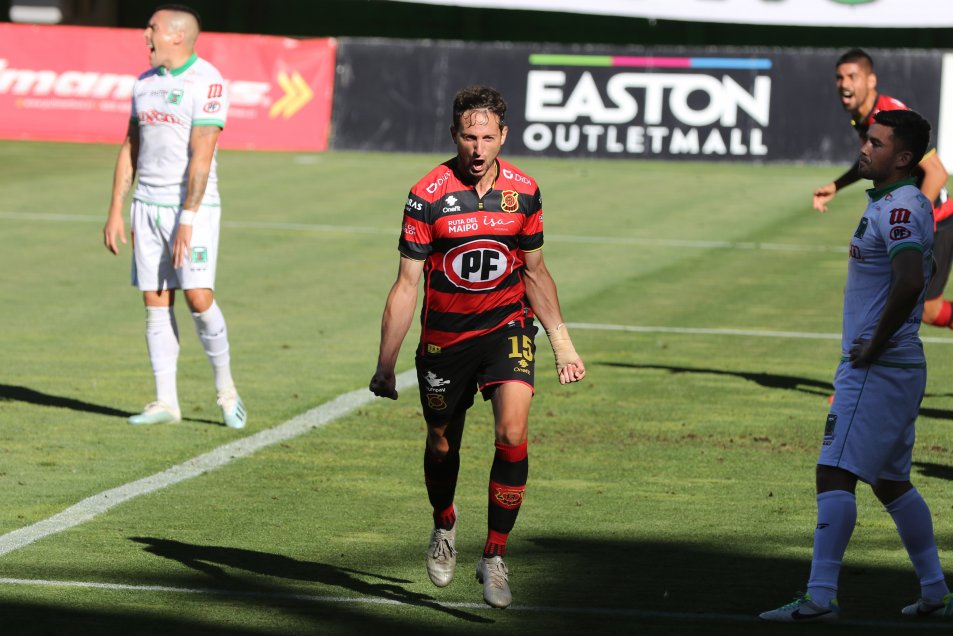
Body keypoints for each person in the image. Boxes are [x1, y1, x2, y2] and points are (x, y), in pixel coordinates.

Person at [369, 85, 585, 609]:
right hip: (445, 341)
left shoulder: (525, 192)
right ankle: (445, 522)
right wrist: (385, 365)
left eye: (488, 137)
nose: (479, 147)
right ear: (454, 136)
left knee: (512, 432)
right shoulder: (426, 195)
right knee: (442, 444)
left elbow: (535, 272)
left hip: (507, 330)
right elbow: (406, 285)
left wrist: (562, 343)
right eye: (469, 136)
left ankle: (494, 554)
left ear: (503, 136)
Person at [761, 109, 952, 622]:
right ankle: (935, 592)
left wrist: (872, 344)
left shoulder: (901, 209)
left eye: (877, 143)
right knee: (891, 482)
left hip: (878, 366)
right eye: (867, 139)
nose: (864, 149)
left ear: (904, 157)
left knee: (833, 471)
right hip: (895, 365)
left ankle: (820, 598)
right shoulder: (896, 202)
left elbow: (911, 280)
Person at [102, 4, 246, 429]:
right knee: (154, 299)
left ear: (178, 36)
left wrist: (188, 217)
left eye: (153, 28)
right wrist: (115, 208)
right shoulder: (143, 84)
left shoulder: (208, 81)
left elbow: (203, 154)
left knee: (198, 296)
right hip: (146, 205)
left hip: (192, 210)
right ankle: (166, 402)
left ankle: (226, 390)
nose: (145, 34)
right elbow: (130, 147)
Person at [813, 48, 953, 329]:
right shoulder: (868, 119)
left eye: (853, 76)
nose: (845, 84)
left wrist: (912, 220)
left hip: (935, 218)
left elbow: (937, 173)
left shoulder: (892, 117)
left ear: (871, 81)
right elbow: (873, 160)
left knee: (880, 298)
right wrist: (837, 185)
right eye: (840, 77)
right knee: (926, 308)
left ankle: (867, 364)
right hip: (918, 219)